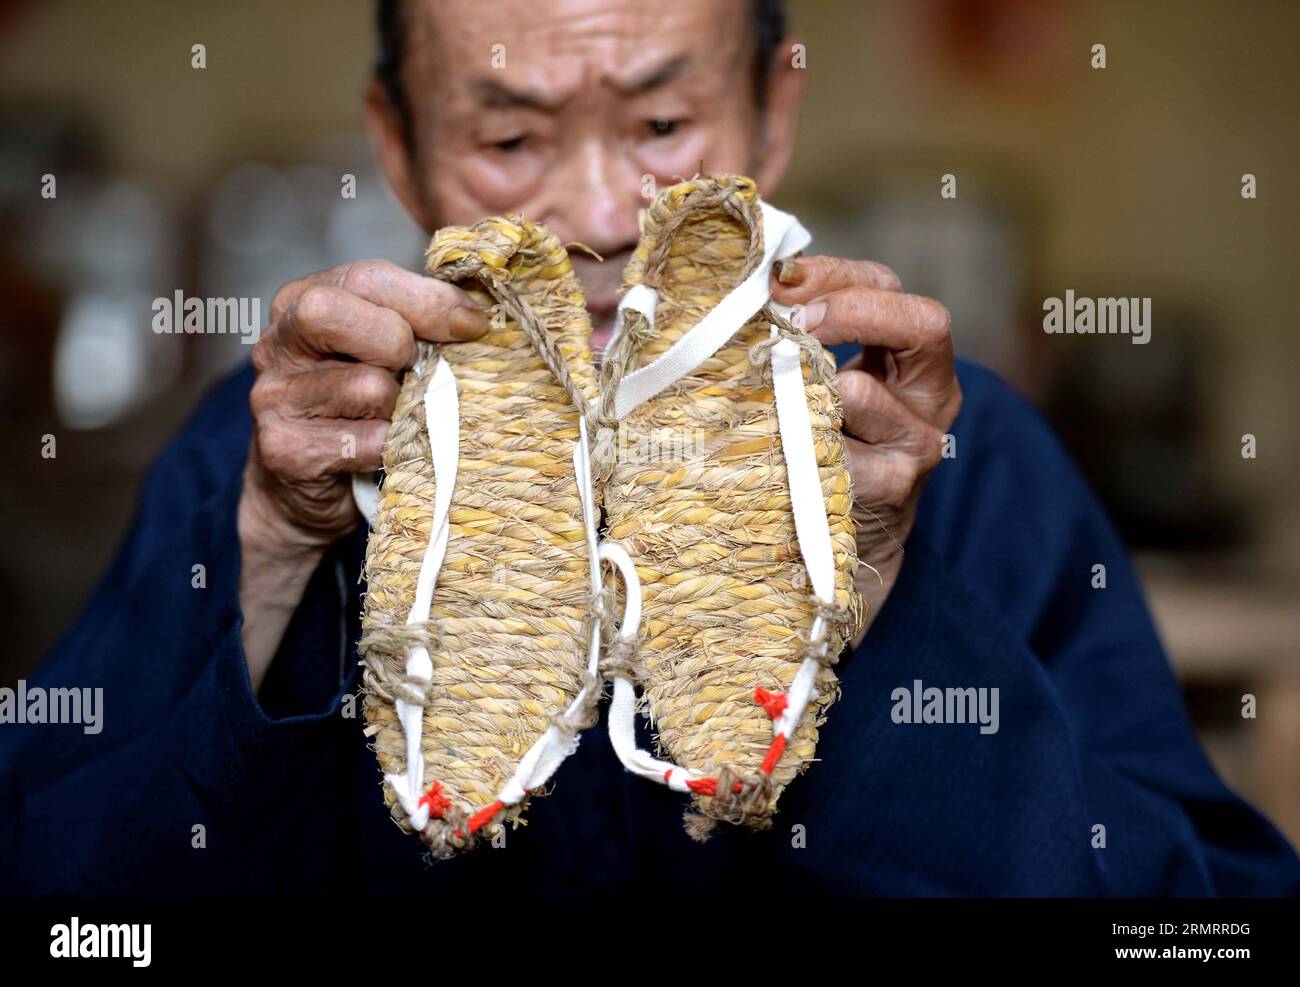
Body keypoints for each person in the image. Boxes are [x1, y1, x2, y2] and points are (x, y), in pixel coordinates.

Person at [2, 0, 1296, 896]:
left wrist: (897, 603)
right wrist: (274, 555)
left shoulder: (955, 457)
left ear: (772, 115)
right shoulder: (275, 453)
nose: (604, 216)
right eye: (509, 140)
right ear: (397, 145)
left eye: (666, 129)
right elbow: (64, 908)